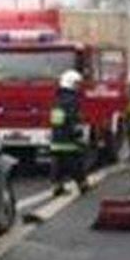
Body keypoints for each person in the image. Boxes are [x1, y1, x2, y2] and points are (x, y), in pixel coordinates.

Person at [49, 69, 89, 197]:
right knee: (76, 163)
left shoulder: (57, 99)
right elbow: (73, 119)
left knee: (58, 164)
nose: (79, 87)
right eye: (77, 84)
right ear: (71, 84)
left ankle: (57, 187)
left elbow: (56, 120)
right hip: (69, 139)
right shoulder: (72, 100)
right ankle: (83, 185)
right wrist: (78, 134)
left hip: (56, 138)